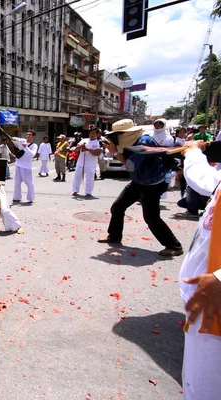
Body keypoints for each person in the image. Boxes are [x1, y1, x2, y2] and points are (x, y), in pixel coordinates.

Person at [97, 119, 183, 257]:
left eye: (117, 135)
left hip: (152, 184)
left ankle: (174, 246)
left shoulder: (144, 142)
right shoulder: (133, 141)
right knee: (118, 207)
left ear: (126, 134)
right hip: (139, 181)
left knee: (151, 217)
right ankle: (114, 236)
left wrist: (115, 152)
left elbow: (130, 166)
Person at [178, 140, 221, 399]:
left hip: (215, 306)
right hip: (204, 302)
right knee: (196, 382)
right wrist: (193, 152)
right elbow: (207, 180)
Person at [72, 126, 102, 197]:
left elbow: (97, 153)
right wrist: (80, 147)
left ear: (97, 134)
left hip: (90, 164)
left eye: (93, 133)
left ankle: (88, 192)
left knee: (89, 178)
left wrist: (88, 149)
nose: (91, 135)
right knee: (77, 176)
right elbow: (76, 149)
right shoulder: (84, 140)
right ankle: (75, 190)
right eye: (90, 133)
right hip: (80, 162)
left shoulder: (98, 143)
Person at [12, 130, 38, 204]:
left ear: (33, 136)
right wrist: (13, 138)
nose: (28, 136)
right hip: (18, 164)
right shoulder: (23, 140)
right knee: (17, 182)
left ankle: (31, 198)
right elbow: (15, 139)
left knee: (29, 183)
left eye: (30, 135)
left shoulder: (34, 145)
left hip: (27, 166)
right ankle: (17, 197)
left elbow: (32, 155)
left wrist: (26, 147)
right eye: (27, 134)